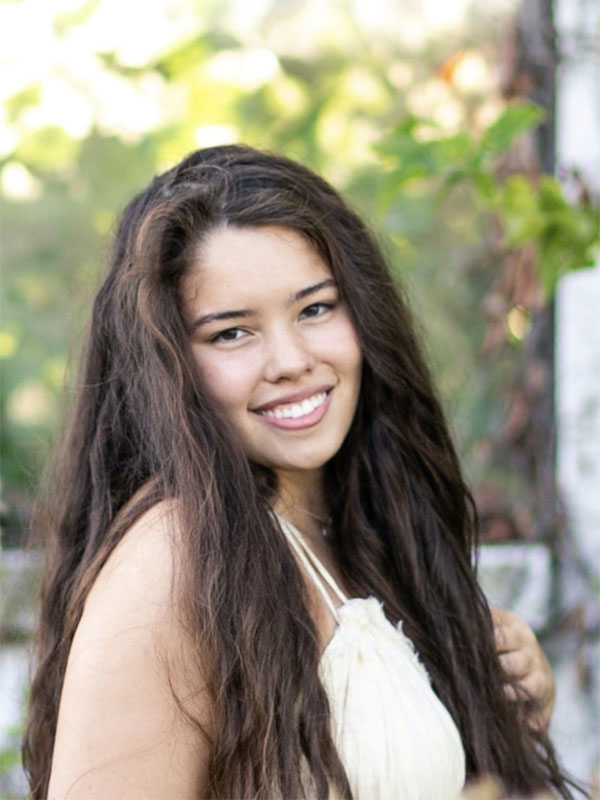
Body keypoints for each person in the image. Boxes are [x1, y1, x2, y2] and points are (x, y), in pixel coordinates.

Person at [23, 145, 570, 799]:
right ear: (167, 367)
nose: (289, 360)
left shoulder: (354, 527)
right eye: (232, 333)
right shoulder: (173, 560)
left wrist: (504, 713)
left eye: (315, 309)